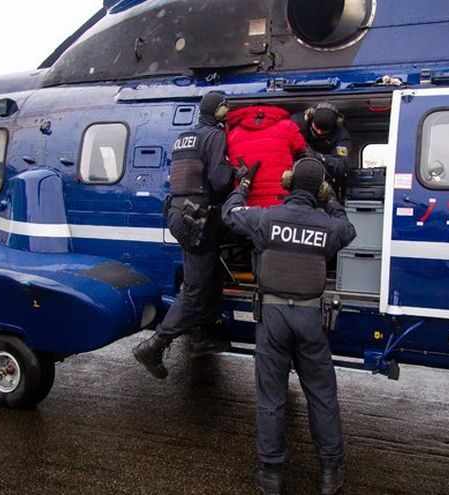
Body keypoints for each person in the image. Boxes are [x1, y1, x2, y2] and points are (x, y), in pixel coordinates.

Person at [222, 157, 356, 495]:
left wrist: (244, 184)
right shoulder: (329, 226)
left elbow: (230, 213)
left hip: (273, 317)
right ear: (319, 189)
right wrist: (331, 199)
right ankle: (329, 473)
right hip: (311, 318)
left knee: (271, 397)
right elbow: (348, 228)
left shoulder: (266, 218)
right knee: (322, 395)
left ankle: (271, 475)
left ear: (287, 182)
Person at [132, 92, 235, 379]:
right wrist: (237, 174)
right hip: (198, 217)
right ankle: (155, 345)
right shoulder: (214, 135)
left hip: (180, 212)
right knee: (195, 289)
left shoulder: (185, 137)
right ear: (217, 111)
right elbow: (219, 180)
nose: (227, 111)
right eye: (225, 107)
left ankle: (201, 336)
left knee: (211, 276)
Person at [226, 105, 308, 207]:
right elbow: (304, 157)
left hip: (246, 204)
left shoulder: (232, 134)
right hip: (281, 201)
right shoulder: (288, 127)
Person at [292, 102, 353, 190]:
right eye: (316, 128)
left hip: (324, 178)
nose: (319, 132)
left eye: (324, 131)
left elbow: (342, 164)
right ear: (309, 118)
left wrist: (320, 157)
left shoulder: (341, 136)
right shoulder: (296, 124)